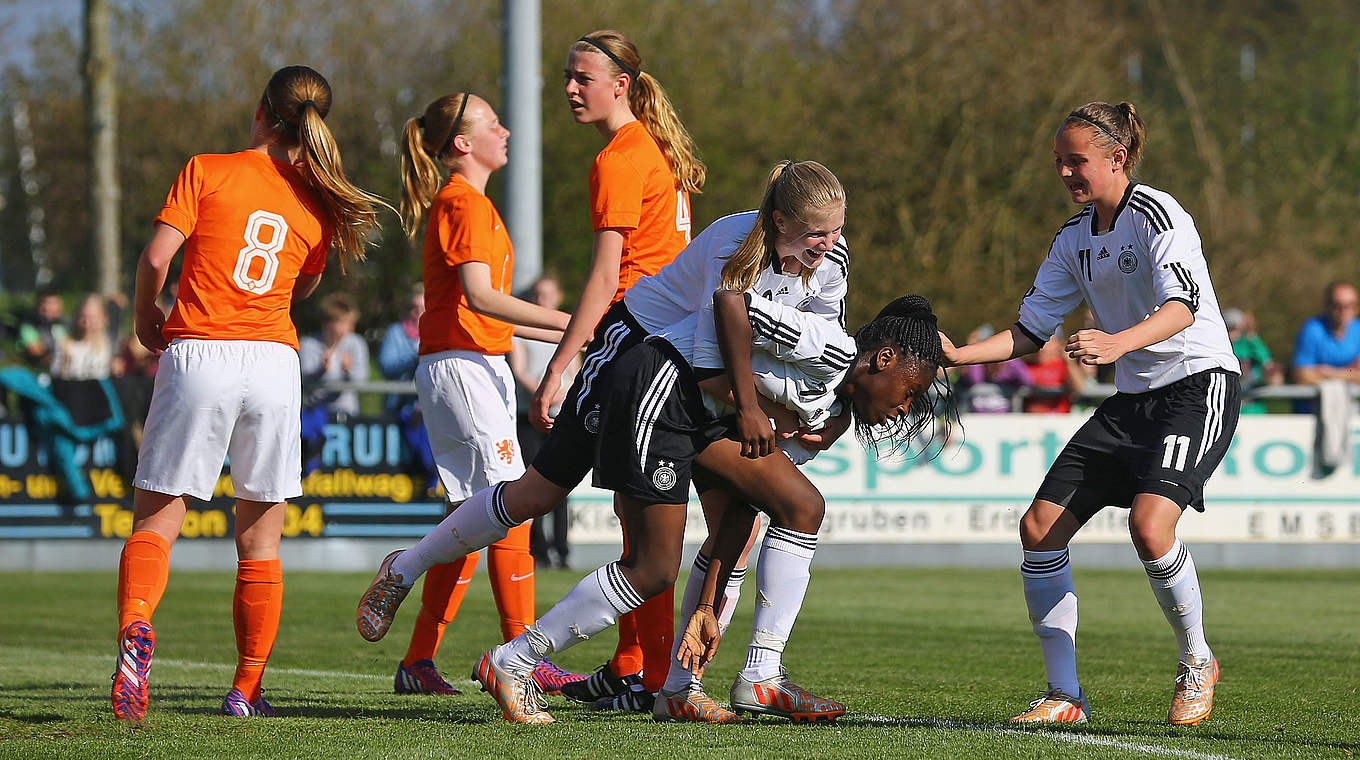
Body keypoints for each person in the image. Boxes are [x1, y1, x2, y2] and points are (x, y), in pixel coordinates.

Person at [356, 160, 854, 723]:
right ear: (780, 218)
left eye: (837, 231)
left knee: (781, 509)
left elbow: (817, 345)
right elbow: (706, 353)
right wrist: (757, 409)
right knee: (545, 501)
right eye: (819, 233)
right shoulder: (728, 238)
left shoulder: (829, 258)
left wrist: (802, 408)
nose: (831, 244)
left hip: (695, 383)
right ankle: (420, 576)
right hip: (641, 361)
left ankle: (708, 682)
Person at [473, 291, 947, 725]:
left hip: (692, 420)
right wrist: (748, 405)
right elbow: (731, 302)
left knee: (795, 508)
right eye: (908, 393)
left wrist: (706, 606)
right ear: (883, 358)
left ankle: (727, 680)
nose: (905, 409)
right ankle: (512, 660)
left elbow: (747, 504)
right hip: (658, 394)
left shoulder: (826, 409)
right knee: (653, 567)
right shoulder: (830, 350)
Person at [941, 101, 1239, 726]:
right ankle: (1063, 695)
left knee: (1150, 526)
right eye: (1059, 163)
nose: (1066, 173)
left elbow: (1183, 308)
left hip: (1196, 385)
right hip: (1132, 400)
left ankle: (1197, 660)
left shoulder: (1158, 213)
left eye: (1076, 161)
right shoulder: (1074, 238)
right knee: (1039, 528)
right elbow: (1028, 330)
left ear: (1117, 158)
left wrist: (1114, 343)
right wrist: (957, 357)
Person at [111, 65, 385, 722]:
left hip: (199, 349)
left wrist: (147, 315)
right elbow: (302, 287)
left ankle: (136, 628)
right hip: (272, 362)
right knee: (260, 542)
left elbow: (155, 259)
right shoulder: (317, 200)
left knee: (156, 523)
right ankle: (246, 689)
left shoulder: (207, 168)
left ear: (262, 109)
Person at [530, 29, 706, 706]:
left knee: (637, 524)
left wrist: (559, 367)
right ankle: (634, 666)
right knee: (640, 519)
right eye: (567, 77)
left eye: (582, 77)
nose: (571, 89)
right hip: (668, 350)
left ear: (621, 84)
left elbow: (608, 279)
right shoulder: (653, 148)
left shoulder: (622, 155)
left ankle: (646, 674)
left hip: (639, 352)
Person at [379, 90, 573, 696]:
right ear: (462, 144)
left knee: (474, 517)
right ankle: (524, 654)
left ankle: (418, 661)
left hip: (473, 362)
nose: (506, 131)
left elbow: (490, 312)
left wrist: (580, 328)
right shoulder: (461, 201)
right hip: (460, 365)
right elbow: (482, 300)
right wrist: (579, 324)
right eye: (493, 123)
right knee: (510, 506)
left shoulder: (472, 203)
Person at [508, 275, 579, 570]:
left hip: (560, 414)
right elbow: (519, 369)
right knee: (529, 484)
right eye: (537, 294)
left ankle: (562, 550)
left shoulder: (568, 331)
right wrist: (541, 394)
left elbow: (574, 370)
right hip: (529, 415)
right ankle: (537, 549)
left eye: (547, 294)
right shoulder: (522, 333)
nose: (542, 300)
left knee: (561, 486)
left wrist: (558, 393)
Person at [377, 284, 437, 492]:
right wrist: (415, 356)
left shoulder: (440, 332)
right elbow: (386, 366)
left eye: (423, 307)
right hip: (401, 409)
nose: (418, 312)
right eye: (414, 307)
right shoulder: (395, 332)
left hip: (432, 408)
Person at [299, 292, 369, 419]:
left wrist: (348, 370)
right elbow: (305, 378)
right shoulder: (307, 344)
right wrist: (321, 369)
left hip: (347, 413)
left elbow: (361, 379)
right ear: (326, 323)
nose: (349, 329)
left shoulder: (356, 343)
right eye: (343, 323)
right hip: (314, 413)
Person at [1291, 282, 1360, 387]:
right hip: (1313, 403)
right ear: (1327, 305)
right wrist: (1349, 373)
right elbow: (1301, 374)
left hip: (1348, 403)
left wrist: (1325, 372)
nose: (1343, 311)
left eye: (1350, 306)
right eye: (1337, 305)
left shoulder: (1357, 329)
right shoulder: (1312, 329)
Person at [1021, 330, 1087, 413]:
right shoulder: (1024, 366)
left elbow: (1080, 388)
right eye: (1037, 340)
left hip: (1058, 422)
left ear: (1058, 344)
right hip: (1028, 422)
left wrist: (1069, 362)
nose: (1041, 346)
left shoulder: (1063, 366)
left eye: (1047, 341)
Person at [16, 290, 68, 371]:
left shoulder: (65, 326)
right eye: (44, 303)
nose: (47, 307)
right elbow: (36, 351)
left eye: (52, 304)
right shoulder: (29, 326)